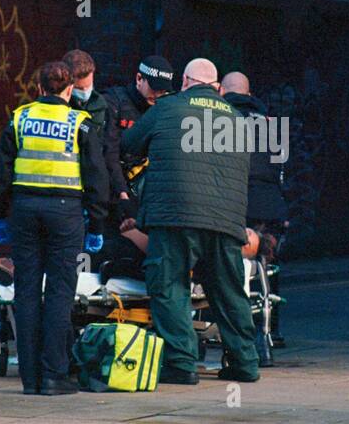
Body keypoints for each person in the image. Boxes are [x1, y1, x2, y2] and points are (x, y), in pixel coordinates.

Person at [121, 58, 261, 385]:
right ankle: (245, 362)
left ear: (185, 81)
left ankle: (182, 364)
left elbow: (129, 145)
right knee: (228, 292)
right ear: (216, 87)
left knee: (170, 286)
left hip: (175, 215)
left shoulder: (167, 108)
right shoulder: (238, 120)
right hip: (226, 220)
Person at [0, 61, 109, 395]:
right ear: (69, 90)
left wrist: (0, 216)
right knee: (59, 292)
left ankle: (30, 379)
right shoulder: (80, 124)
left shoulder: (20, 118)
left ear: (39, 88)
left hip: (24, 210)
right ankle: (54, 376)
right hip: (65, 213)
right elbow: (97, 178)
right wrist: (96, 224)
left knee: (26, 291)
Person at [220, 71, 290, 361]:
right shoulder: (271, 124)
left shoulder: (218, 121)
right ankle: (271, 330)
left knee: (228, 267)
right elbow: (281, 169)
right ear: (249, 94)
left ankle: (236, 333)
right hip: (269, 208)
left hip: (236, 206)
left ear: (223, 92)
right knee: (266, 268)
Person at [101, 54, 174, 221]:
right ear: (139, 78)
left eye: (163, 91)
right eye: (154, 88)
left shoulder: (165, 107)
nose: (157, 95)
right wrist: (122, 193)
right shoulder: (114, 101)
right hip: (113, 192)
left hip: (148, 194)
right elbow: (109, 151)